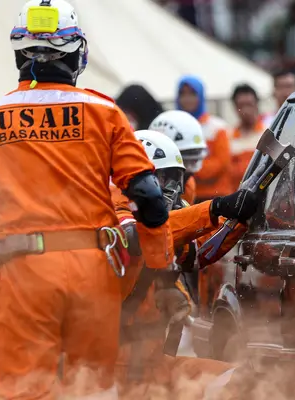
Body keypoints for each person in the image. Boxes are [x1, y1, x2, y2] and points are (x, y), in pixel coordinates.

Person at [0, 1, 175, 398]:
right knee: (91, 389)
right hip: (93, 271)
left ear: (19, 52)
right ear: (77, 52)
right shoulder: (106, 112)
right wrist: (163, 270)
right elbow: (148, 198)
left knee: (25, 391)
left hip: (22, 273)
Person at [111, 130, 255, 399]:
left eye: (175, 179)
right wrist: (213, 208)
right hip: (110, 371)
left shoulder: (150, 221)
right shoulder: (110, 212)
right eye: (163, 179)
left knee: (241, 379)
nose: (172, 189)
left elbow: (196, 255)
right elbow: (140, 238)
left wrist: (238, 222)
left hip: (150, 366)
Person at [175, 75, 232, 202]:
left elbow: (221, 163)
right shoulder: (173, 127)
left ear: (200, 96)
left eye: (192, 94)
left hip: (215, 196)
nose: (187, 99)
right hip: (184, 197)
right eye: (183, 94)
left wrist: (187, 171)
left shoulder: (216, 127)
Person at [148, 110, 207, 205]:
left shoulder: (188, 185)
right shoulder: (145, 186)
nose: (191, 165)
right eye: (186, 158)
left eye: (195, 153)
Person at [229, 83, 265, 188]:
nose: (245, 110)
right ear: (235, 108)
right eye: (241, 106)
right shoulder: (228, 136)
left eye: (249, 104)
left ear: (257, 104)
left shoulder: (267, 133)